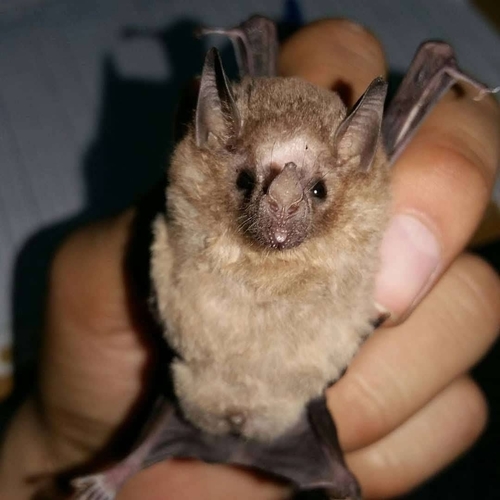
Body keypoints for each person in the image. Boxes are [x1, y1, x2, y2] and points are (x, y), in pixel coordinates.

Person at [0, 19, 499, 500]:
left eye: (317, 189)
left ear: (345, 178)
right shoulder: (200, 202)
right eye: (246, 181)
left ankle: (134, 462)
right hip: (202, 382)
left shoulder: (360, 208)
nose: (282, 206)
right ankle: (133, 461)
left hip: (282, 398)